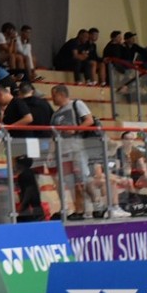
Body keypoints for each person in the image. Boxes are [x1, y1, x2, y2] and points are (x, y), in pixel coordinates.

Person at [49, 84, 98, 219]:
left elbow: (89, 120)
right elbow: (53, 136)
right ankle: (79, 210)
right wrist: (52, 153)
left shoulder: (76, 104)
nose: (52, 98)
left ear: (61, 94)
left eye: (54, 95)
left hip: (77, 148)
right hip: (63, 151)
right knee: (72, 183)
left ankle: (96, 204)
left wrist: (75, 129)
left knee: (83, 180)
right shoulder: (55, 114)